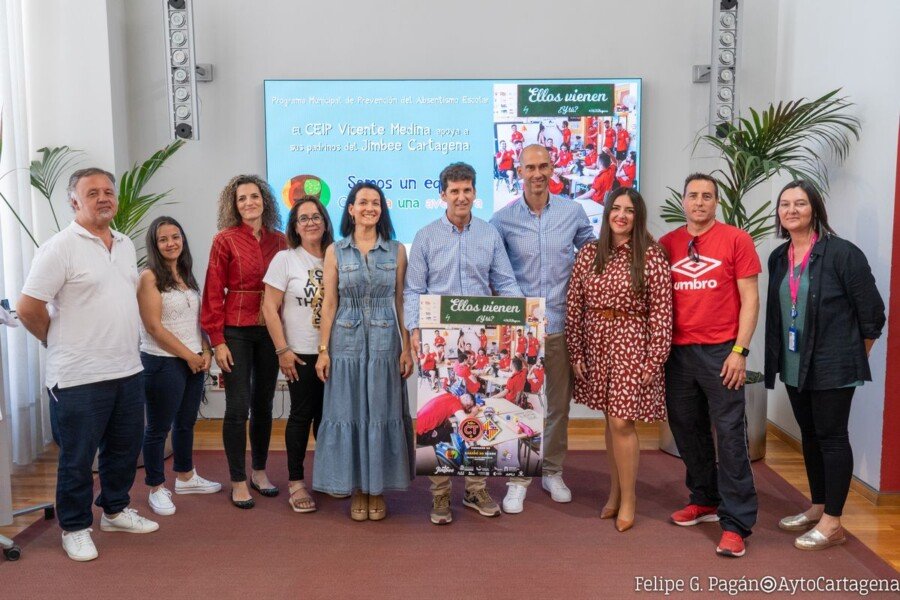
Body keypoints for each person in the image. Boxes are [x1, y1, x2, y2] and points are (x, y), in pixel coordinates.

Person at [17, 168, 158, 562]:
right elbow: (28, 308)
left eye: (108, 191)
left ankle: (114, 510)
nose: (103, 198)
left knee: (123, 450)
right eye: (92, 192)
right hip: (77, 376)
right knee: (78, 459)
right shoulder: (59, 247)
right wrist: (52, 339)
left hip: (127, 370)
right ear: (74, 201)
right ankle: (75, 527)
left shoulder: (124, 244)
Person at [764, 181, 885, 551]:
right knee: (810, 435)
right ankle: (818, 506)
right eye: (785, 204)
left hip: (834, 365)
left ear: (815, 208)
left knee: (832, 438)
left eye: (800, 203)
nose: (792, 210)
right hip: (794, 363)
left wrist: (851, 358)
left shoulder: (843, 253)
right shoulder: (779, 256)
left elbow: (873, 316)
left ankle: (833, 522)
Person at [405, 161, 522, 525]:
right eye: (454, 191)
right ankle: (440, 494)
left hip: (477, 339)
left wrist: (524, 319)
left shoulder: (489, 235)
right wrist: (413, 329)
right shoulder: (425, 236)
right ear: (443, 195)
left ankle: (475, 488)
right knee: (441, 417)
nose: (461, 197)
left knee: (476, 413)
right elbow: (413, 289)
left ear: (475, 193)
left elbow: (506, 283)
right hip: (437, 340)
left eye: (466, 190)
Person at [659, 173, 761, 558]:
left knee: (731, 435)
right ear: (683, 201)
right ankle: (704, 499)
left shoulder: (736, 239)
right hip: (678, 354)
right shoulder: (667, 244)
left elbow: (750, 298)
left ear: (716, 202)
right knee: (688, 429)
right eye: (693, 195)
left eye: (707, 196)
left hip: (722, 353)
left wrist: (740, 350)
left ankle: (736, 523)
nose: (699, 202)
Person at [491, 143, 594, 514]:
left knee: (558, 407)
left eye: (543, 166)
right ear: (519, 171)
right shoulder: (502, 220)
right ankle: (517, 479)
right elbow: (497, 272)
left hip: (562, 326)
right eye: (530, 167)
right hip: (521, 331)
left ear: (553, 169)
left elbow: (592, 253)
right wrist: (524, 313)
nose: (537, 173)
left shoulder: (573, 212)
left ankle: (552, 470)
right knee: (520, 405)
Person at [566, 188, 672, 532]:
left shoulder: (651, 256)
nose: (621, 215)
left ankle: (629, 499)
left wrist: (654, 359)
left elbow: (661, 312)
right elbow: (575, 305)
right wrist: (576, 350)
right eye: (616, 208)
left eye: (629, 210)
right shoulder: (589, 253)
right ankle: (614, 492)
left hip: (632, 344)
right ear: (607, 212)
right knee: (610, 422)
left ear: (637, 216)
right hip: (597, 343)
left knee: (623, 422)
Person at [313, 182, 414, 522]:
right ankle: (357, 488)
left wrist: (407, 347)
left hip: (386, 345)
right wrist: (323, 350)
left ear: (382, 210)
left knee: (382, 411)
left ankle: (377, 489)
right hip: (345, 344)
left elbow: (401, 301)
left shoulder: (397, 251)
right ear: (351, 209)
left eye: (376, 203)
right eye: (363, 202)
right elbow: (329, 303)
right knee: (349, 411)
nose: (370, 207)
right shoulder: (335, 251)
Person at [201, 174, 288, 509]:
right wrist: (217, 340)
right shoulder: (224, 240)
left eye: (254, 196)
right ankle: (238, 480)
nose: (249, 202)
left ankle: (259, 472)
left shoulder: (280, 241)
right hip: (235, 330)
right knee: (238, 407)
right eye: (242, 198)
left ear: (265, 200)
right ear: (234, 205)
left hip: (270, 329)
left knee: (264, 405)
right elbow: (212, 291)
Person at [137, 216, 222, 518]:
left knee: (186, 423)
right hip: (162, 362)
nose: (171, 243)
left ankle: (185, 476)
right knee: (158, 428)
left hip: (193, 359)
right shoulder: (148, 277)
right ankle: (156, 487)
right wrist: (189, 355)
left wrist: (206, 350)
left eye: (175, 237)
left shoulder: (185, 274)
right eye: (163, 239)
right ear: (154, 244)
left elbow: (197, 320)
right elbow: (153, 327)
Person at [261, 195, 334, 513]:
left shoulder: (337, 255)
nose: (310, 222)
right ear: (295, 226)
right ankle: (296, 482)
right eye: (303, 218)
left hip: (335, 352)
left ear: (325, 222)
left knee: (330, 419)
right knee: (302, 416)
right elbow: (269, 308)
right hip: (301, 353)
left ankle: (329, 477)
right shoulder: (285, 260)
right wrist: (283, 350)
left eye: (316, 216)